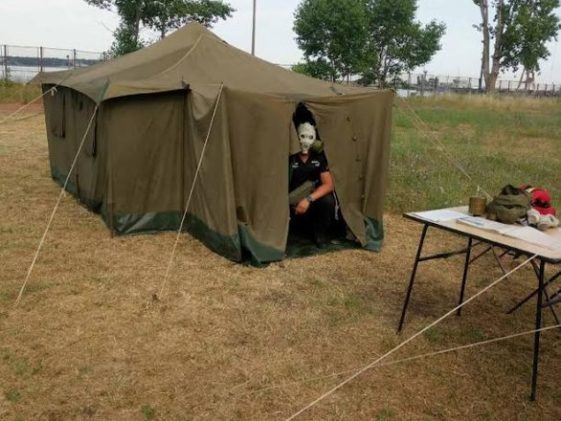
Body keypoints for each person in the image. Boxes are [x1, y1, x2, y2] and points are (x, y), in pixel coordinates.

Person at [289, 122, 336, 246]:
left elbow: (329, 185)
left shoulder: (319, 157)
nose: (306, 141)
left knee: (327, 201)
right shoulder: (290, 157)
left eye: (310, 137)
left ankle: (319, 233)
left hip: (311, 199)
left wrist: (308, 199)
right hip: (290, 200)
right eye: (302, 136)